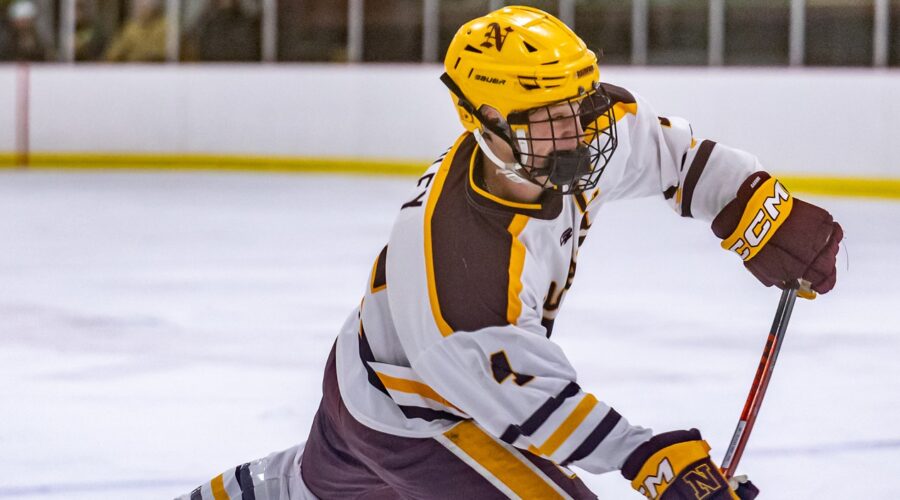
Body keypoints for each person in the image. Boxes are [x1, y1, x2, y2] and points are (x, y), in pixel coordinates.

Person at [178, 6, 842, 500]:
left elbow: (669, 156)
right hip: (425, 414)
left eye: (579, 103)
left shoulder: (570, 136)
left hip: (359, 379)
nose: (580, 129)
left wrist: (759, 213)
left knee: (308, 487)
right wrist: (649, 457)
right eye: (552, 119)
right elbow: (525, 402)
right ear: (485, 123)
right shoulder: (460, 259)